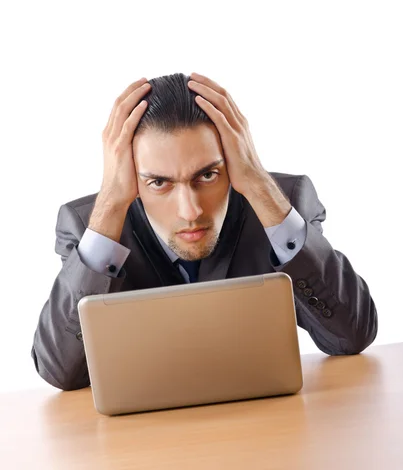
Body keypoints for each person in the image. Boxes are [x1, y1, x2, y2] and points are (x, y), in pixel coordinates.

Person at [31, 72, 378, 391]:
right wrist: (109, 207)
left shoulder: (283, 205)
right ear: (131, 178)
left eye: (207, 175)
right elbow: (59, 372)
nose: (191, 211)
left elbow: (353, 335)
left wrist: (260, 187)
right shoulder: (91, 227)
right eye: (159, 183)